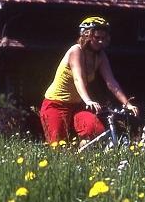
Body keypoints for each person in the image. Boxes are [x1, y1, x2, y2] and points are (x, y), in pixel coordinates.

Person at [40, 16, 138, 145]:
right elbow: (77, 78)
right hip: (56, 103)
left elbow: (111, 82)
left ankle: (81, 160)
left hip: (77, 105)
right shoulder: (76, 50)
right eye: (97, 38)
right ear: (86, 35)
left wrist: (127, 104)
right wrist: (88, 100)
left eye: (104, 38)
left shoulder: (100, 56)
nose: (101, 42)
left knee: (95, 130)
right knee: (57, 145)